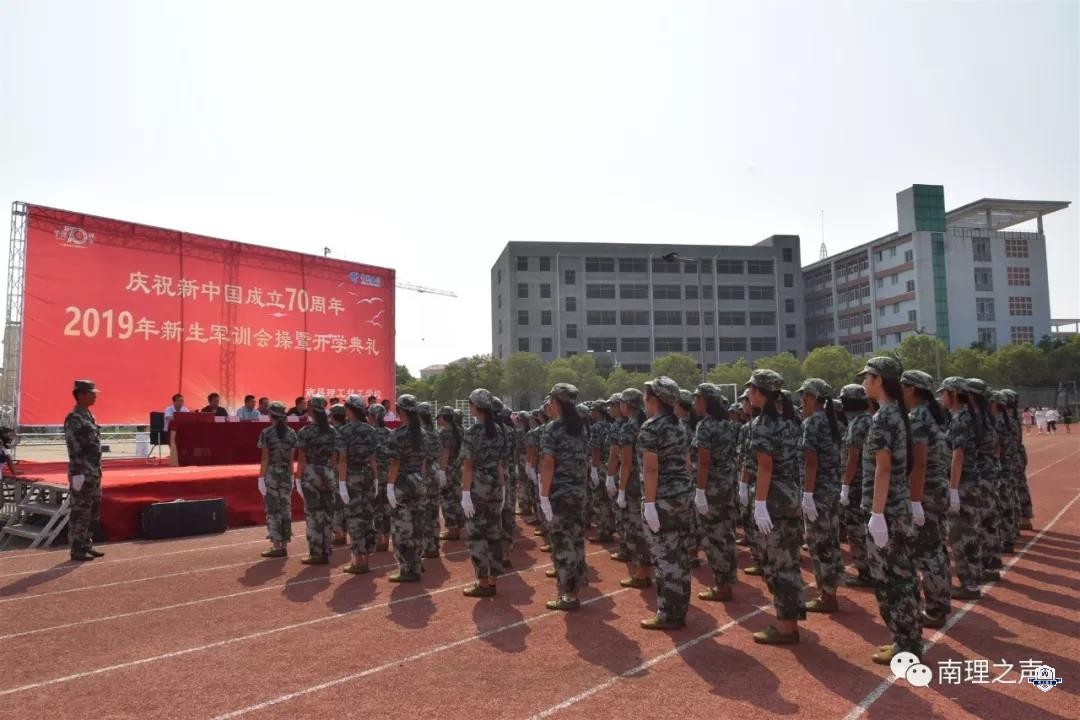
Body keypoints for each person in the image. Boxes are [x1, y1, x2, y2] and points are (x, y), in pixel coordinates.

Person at [857, 357, 922, 665]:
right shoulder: (896, 413)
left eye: (867, 376)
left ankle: (906, 644)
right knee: (901, 577)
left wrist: (877, 513)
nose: (863, 382)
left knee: (891, 581)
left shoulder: (884, 417)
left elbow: (883, 468)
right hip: (896, 507)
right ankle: (906, 640)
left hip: (888, 510)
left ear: (879, 380)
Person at [745, 369, 805, 645]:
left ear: (760, 393)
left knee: (777, 565)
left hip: (773, 502)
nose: (749, 394)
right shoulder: (791, 422)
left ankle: (785, 626)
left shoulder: (762, 424)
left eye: (752, 390)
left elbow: (765, 467)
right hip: (791, 498)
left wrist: (759, 503)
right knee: (789, 562)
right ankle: (789, 622)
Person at [635, 376, 694, 630]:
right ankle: (678, 609)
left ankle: (669, 614)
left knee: (664, 558)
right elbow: (686, 462)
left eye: (646, 395)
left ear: (655, 399)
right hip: (682, 497)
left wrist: (649, 504)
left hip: (662, 500)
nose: (644, 400)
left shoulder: (651, 427)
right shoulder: (679, 425)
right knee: (679, 556)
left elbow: (650, 468)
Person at [901, 370, 951, 629]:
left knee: (927, 552)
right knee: (936, 548)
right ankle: (939, 602)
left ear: (912, 389)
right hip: (937, 487)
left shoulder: (918, 417)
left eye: (903, 386)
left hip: (926, 492)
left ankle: (935, 608)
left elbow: (919, 463)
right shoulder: (932, 414)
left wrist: (915, 500)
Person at [535, 384, 587, 610]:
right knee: (576, 541)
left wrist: (544, 495)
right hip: (578, 492)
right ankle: (575, 590)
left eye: (551, 400)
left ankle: (568, 596)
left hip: (559, 494)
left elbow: (548, 463)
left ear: (558, 402)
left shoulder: (552, 428)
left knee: (561, 544)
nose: (549, 404)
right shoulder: (579, 428)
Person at [796, 378, 844, 614]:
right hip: (832, 489)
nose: (801, 401)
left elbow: (811, 461)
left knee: (819, 543)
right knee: (830, 540)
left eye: (804, 396)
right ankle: (830, 591)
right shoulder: (832, 422)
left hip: (818, 492)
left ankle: (827, 595)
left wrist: (808, 493)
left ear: (811, 398)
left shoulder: (812, 422)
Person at [692, 383, 739, 602]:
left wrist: (700, 491)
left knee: (713, 536)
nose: (694, 403)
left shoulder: (705, 426)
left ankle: (722, 584)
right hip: (727, 484)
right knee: (727, 532)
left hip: (711, 486)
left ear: (705, 401)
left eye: (697, 398)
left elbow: (704, 461)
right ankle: (728, 578)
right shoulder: (728, 424)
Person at [460, 388, 508, 597]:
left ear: (476, 407)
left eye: (470, 404)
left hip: (478, 488)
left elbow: (468, 465)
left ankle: (483, 583)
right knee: (494, 534)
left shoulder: (472, 432)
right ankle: (493, 580)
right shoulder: (498, 429)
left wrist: (465, 494)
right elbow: (500, 463)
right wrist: (502, 486)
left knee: (477, 535)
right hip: (495, 487)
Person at [385, 395, 428, 582]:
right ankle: (416, 564)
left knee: (401, 527)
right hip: (418, 480)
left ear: (402, 411)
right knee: (417, 525)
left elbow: (395, 463)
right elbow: (424, 460)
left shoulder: (398, 434)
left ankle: (406, 569)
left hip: (402, 482)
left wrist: (390, 485)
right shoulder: (422, 433)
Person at [337, 395, 379, 573]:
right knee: (367, 516)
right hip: (367, 474)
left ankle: (358, 561)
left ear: (349, 410)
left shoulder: (344, 431)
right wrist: (375, 478)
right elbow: (373, 458)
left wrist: (341, 482)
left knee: (354, 518)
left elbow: (343, 459)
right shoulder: (370, 430)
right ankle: (366, 559)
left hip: (352, 475)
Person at [295, 395, 339, 565]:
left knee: (313, 515)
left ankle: (316, 553)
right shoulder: (332, 431)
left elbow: (302, 458)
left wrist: (298, 478)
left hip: (311, 473)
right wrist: (331, 472)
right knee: (328, 513)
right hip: (327, 472)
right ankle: (326, 550)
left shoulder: (305, 431)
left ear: (311, 410)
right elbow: (335, 457)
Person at [617, 388, 653, 590]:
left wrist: (621, 489)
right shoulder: (647, 423)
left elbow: (627, 463)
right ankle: (647, 568)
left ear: (627, 405)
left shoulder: (629, 427)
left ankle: (642, 572)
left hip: (633, 485)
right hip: (647, 482)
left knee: (637, 529)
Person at [65, 379, 105, 562]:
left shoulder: (88, 415)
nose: (95, 396)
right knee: (80, 510)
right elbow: (73, 447)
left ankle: (86, 543)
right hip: (81, 471)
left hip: (94, 471)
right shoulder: (74, 418)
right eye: (91, 393)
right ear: (80, 394)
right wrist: (79, 472)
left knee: (93, 509)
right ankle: (77, 548)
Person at [839, 384, 874, 587]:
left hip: (856, 484)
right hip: (868, 483)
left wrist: (845, 485)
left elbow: (853, 458)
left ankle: (865, 572)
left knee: (856, 529)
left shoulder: (857, 423)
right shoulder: (870, 419)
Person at [256, 401, 298, 558]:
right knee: (285, 508)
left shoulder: (267, 433)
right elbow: (291, 459)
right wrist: (292, 476)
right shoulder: (291, 433)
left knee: (273, 509)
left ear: (271, 415)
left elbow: (265, 458)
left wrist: (261, 477)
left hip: (272, 473)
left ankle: (276, 545)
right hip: (286, 473)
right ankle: (285, 542)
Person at [436, 406, 466, 542]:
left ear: (443, 417)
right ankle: (459, 525)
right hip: (459, 467)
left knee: (447, 498)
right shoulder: (460, 430)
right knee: (457, 496)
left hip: (448, 467)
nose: (438, 420)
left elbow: (445, 452)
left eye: (439, 417)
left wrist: (442, 470)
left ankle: (452, 529)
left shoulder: (445, 432)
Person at [368, 402, 392, 552]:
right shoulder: (390, 432)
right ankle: (386, 539)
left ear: (372, 416)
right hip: (389, 474)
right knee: (387, 506)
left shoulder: (369, 433)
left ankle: (378, 539)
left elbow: (370, 457)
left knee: (376, 507)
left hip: (374, 474)